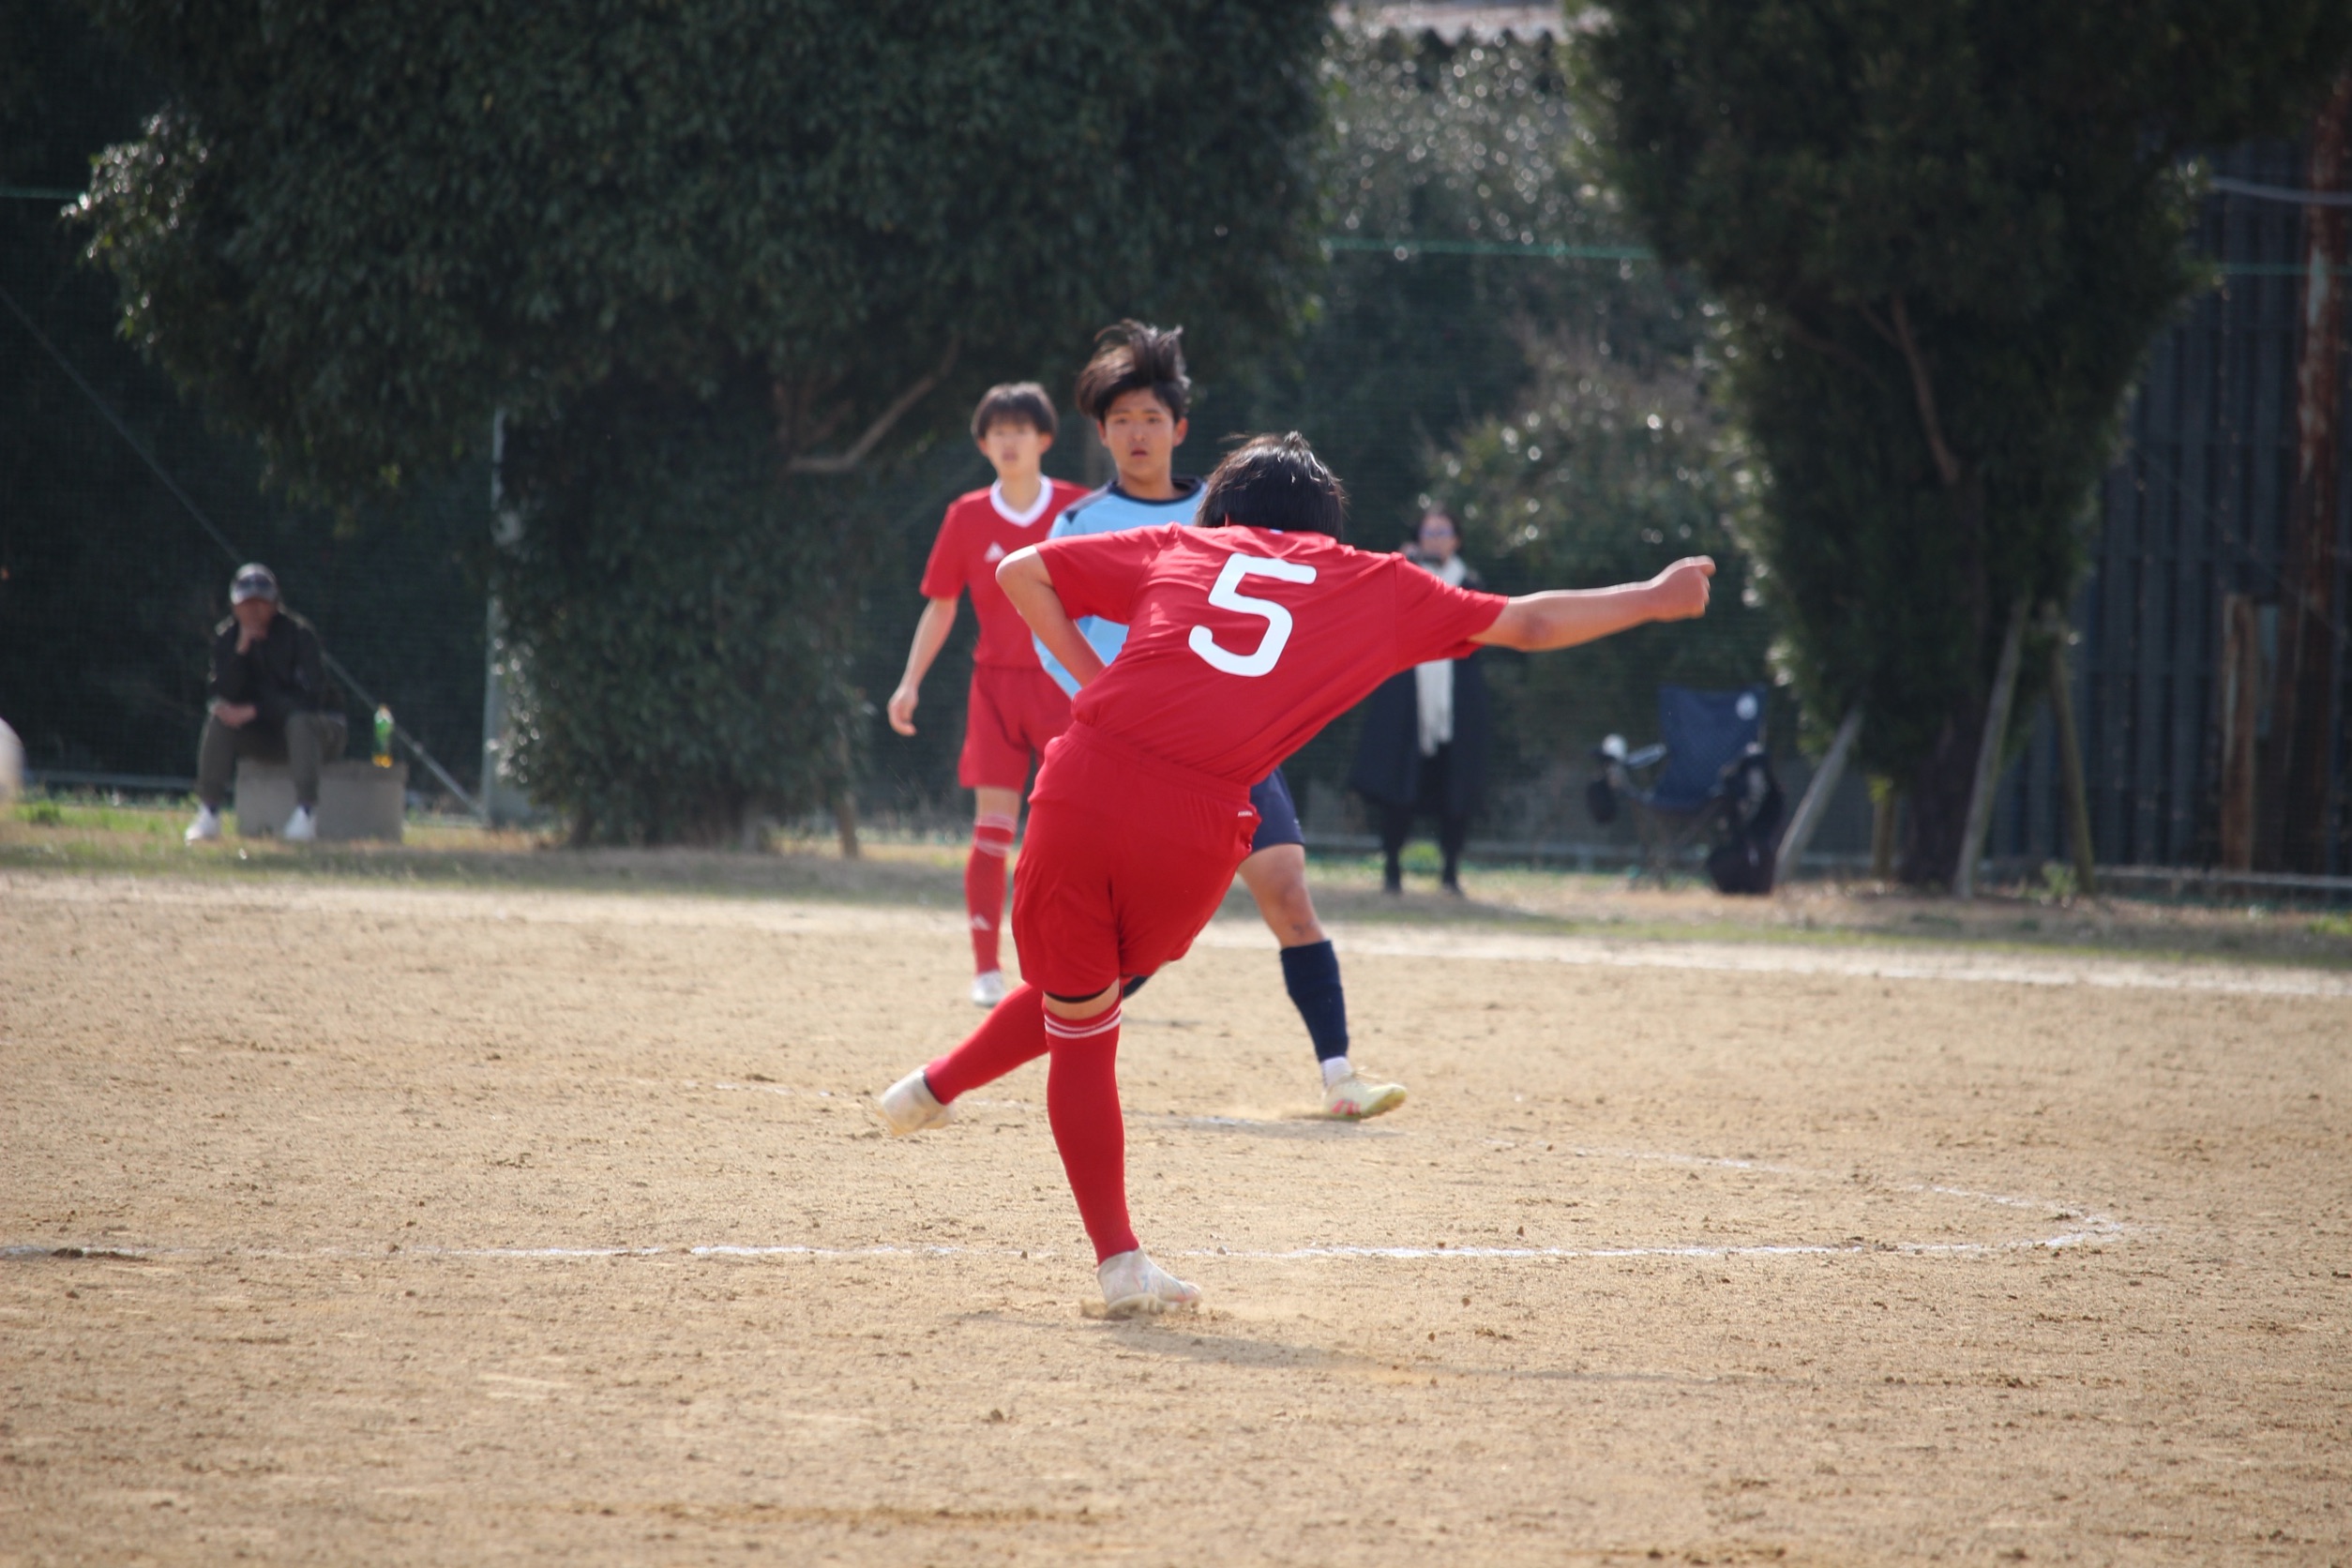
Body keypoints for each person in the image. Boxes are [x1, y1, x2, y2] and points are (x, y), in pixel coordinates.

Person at [874, 432, 1713, 1316]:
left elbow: (1022, 573)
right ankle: (937, 1090)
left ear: (1223, 512)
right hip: (1196, 819)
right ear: (1326, 526)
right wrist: (1654, 597)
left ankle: (1111, 1253)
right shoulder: (1373, 579)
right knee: (1103, 990)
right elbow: (1530, 623)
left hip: (1081, 779)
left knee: (1080, 1015)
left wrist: (1094, 682)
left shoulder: (1182, 543)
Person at [1036, 322, 1402, 1121]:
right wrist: (1109, 695)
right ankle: (978, 1063)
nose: (1137, 433)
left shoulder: (1231, 510)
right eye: (1121, 420)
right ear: (1101, 433)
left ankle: (1339, 1074)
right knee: (1120, 952)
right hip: (1127, 759)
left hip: (1232, 751)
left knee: (1289, 893)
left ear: (1180, 429)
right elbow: (1043, 628)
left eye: (1152, 418)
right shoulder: (1079, 521)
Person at [887, 384, 1093, 1007]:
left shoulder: (1079, 510)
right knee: (992, 832)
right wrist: (909, 682)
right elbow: (941, 605)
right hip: (995, 692)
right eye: (997, 431)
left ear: (1044, 439)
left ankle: (1066, 966)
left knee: (1066, 839)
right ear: (982, 443)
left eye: (1020, 429)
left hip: (1064, 688)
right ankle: (986, 970)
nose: (1009, 440)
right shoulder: (967, 515)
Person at [1349, 508, 1492, 896]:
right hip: (1408, 699)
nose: (1435, 539)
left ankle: (1450, 872)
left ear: (1456, 539)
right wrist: (1402, 566)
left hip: (1455, 703)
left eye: (1443, 532)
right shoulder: (1404, 575)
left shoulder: (1470, 582)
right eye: (1429, 532)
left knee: (1455, 786)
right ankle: (1392, 870)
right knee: (1399, 783)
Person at [185, 564, 346, 844]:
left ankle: (306, 813)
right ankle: (209, 812)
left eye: (261, 603)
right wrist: (240, 652)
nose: (254, 611)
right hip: (267, 736)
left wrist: (256, 710)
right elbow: (221, 694)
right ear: (234, 606)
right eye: (247, 604)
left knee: (299, 722)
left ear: (274, 604)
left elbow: (310, 698)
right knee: (218, 720)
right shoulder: (226, 638)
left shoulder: (299, 634)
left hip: (320, 733)